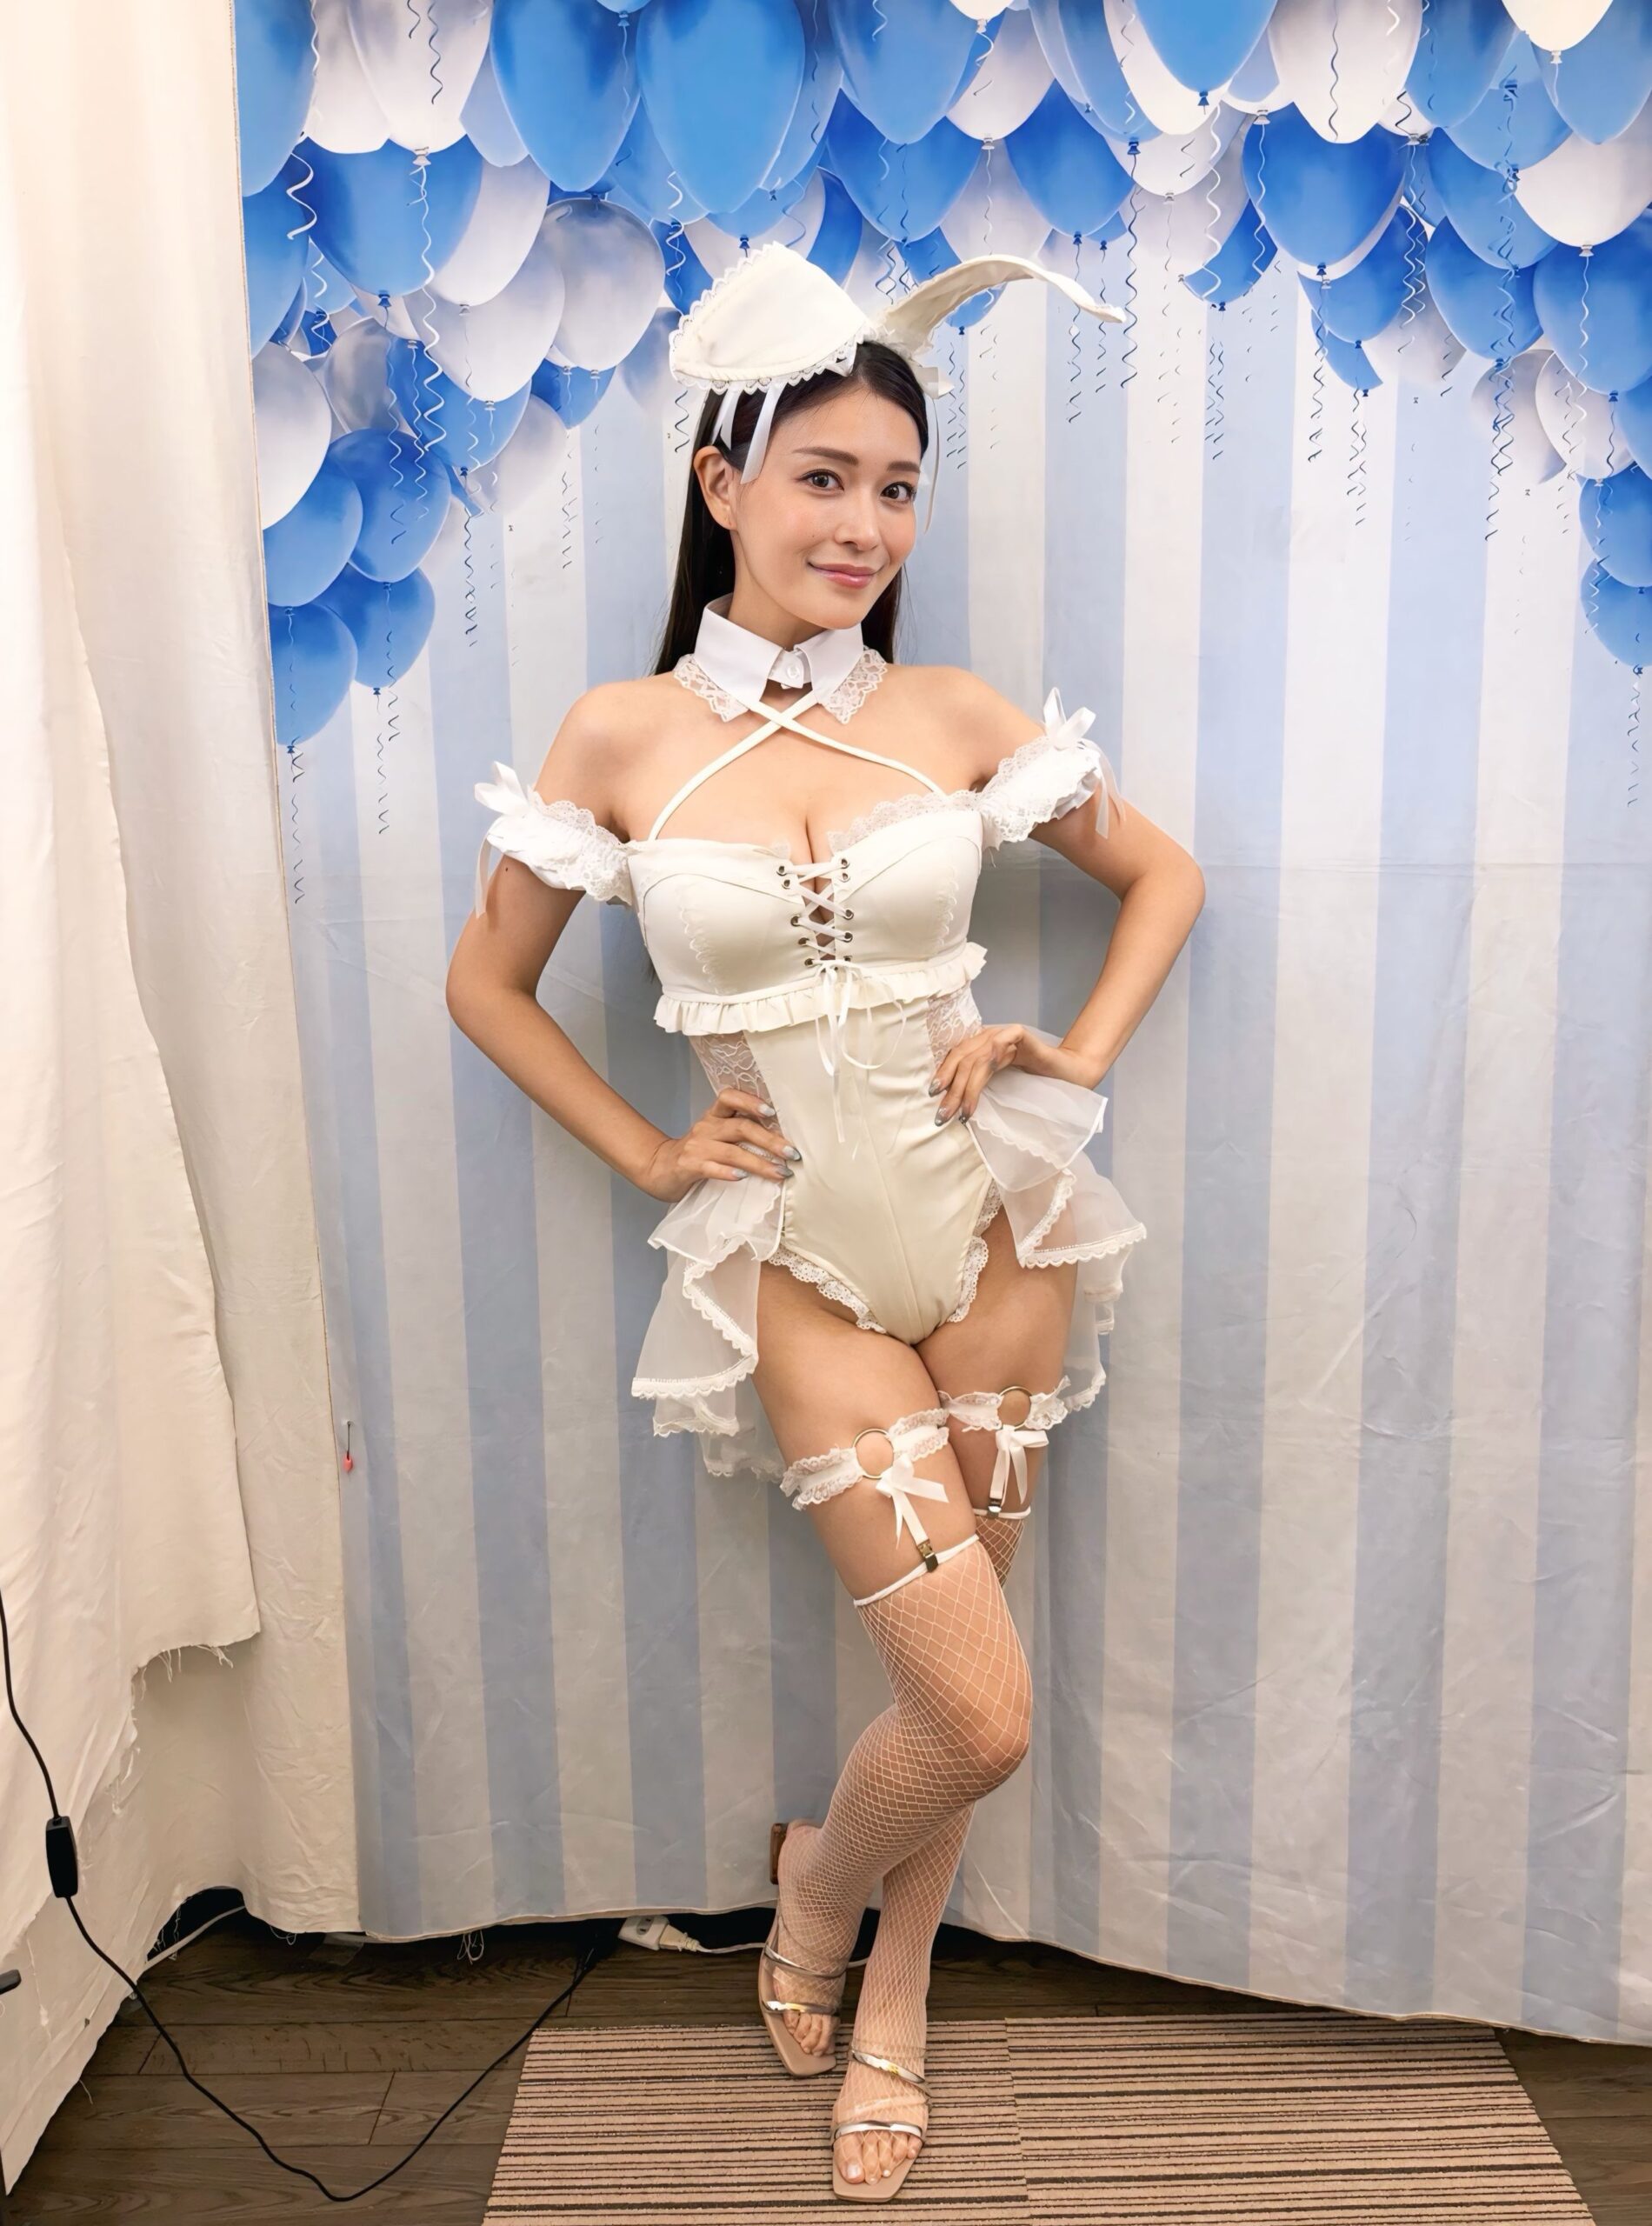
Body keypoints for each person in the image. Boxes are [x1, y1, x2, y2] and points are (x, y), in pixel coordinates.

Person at [448, 245, 1204, 2200]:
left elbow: (1164, 878)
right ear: (722, 484)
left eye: (897, 486)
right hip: (800, 1268)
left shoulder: (948, 710)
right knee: (979, 1707)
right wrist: (647, 1151)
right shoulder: (617, 739)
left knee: (951, 1709)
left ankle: (894, 1992)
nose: (864, 523)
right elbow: (486, 984)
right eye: (823, 477)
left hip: (996, 1245)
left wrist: (1067, 1057)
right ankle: (808, 1893)